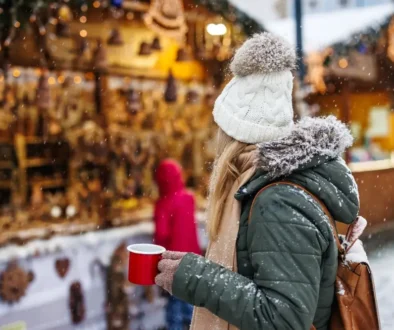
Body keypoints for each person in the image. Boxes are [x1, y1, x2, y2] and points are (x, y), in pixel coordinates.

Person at [155, 33, 360, 330]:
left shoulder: (277, 200)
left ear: (233, 132)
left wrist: (196, 278)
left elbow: (284, 319)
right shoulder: (266, 189)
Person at [154, 159, 201, 330]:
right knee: (190, 304)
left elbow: (162, 234)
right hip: (192, 259)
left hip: (172, 262)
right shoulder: (189, 198)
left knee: (174, 307)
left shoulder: (163, 204)